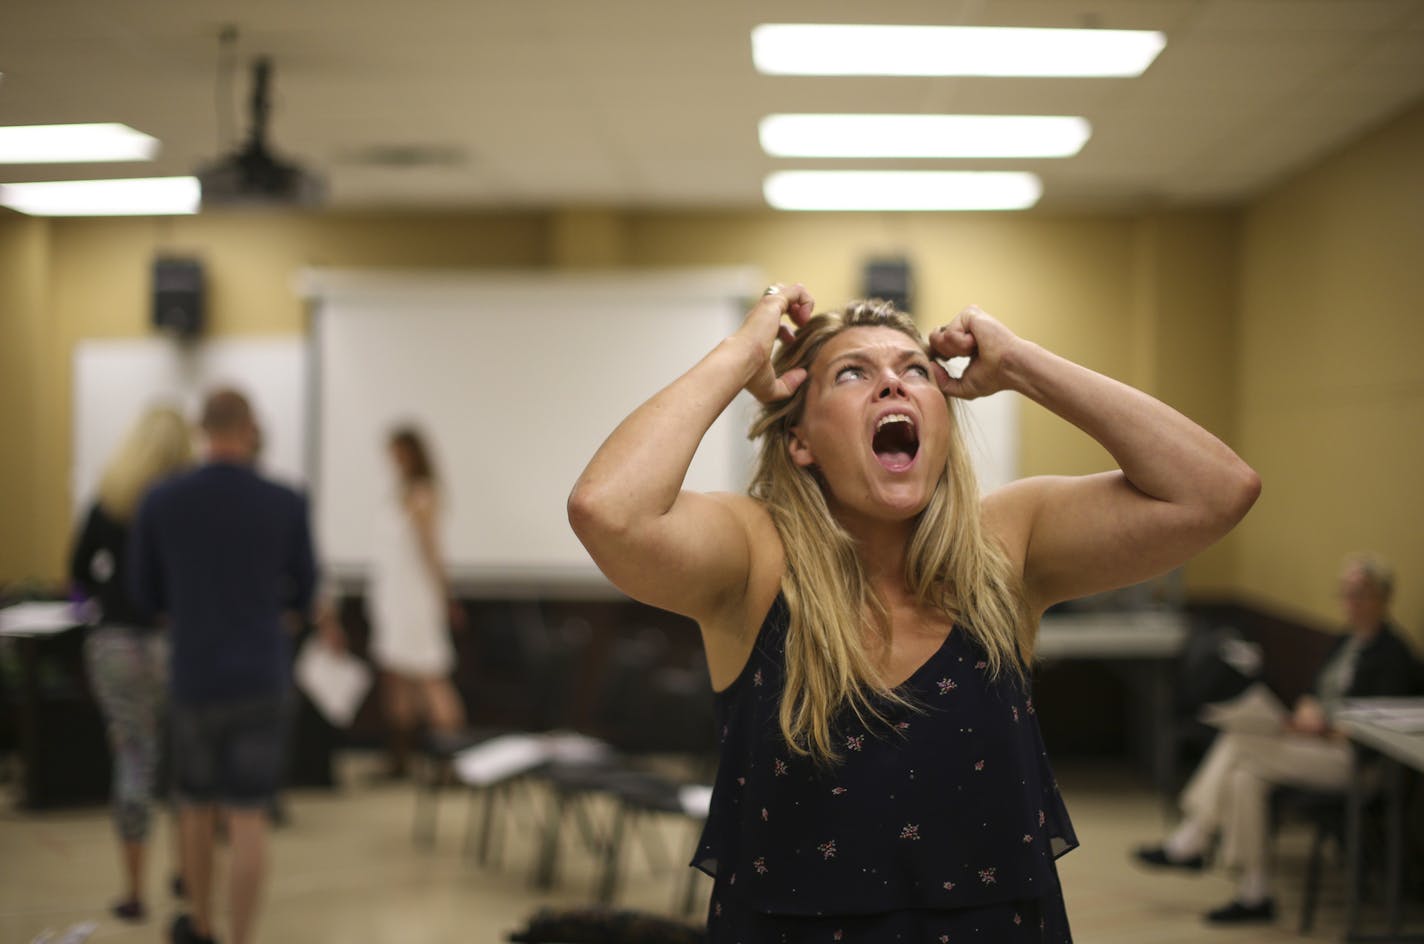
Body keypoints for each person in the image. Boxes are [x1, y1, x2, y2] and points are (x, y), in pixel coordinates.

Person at [568, 284, 1260, 941]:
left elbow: (1216, 491)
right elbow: (609, 511)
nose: (893, 384)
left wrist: (1019, 362)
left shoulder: (1006, 544)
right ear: (799, 441)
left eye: (916, 371)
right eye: (851, 374)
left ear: (941, 426)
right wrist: (738, 357)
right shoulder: (755, 554)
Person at [1134, 553, 1421, 925]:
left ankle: (1193, 839)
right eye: (1346, 592)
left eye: (1359, 593)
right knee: (1244, 777)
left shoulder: (1393, 653)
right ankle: (1255, 892)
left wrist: (1324, 728)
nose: (1350, 601)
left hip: (1356, 761)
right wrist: (1304, 713)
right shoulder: (1345, 641)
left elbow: (1376, 730)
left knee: (1239, 744)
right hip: (1317, 747)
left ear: (1382, 597)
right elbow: (1316, 693)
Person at [129, 388, 317, 944]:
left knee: (194, 809)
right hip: (261, 674)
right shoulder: (285, 500)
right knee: (249, 817)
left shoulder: (162, 499)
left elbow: (142, 591)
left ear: (200, 428)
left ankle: (203, 926)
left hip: (194, 673)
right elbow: (305, 592)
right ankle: (242, 938)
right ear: (249, 427)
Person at [69, 405, 193, 922]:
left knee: (134, 761)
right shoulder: (184, 505)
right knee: (184, 764)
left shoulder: (109, 498)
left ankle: (134, 892)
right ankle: (190, 873)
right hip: (173, 643)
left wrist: (107, 597)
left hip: (115, 644)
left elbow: (77, 571)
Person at [366, 425, 465, 778]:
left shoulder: (423, 494)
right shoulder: (399, 493)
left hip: (415, 600)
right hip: (393, 599)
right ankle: (400, 758)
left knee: (429, 675)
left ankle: (450, 759)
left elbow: (432, 550)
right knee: (398, 677)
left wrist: (446, 595)